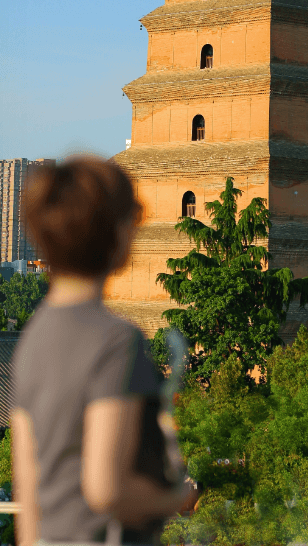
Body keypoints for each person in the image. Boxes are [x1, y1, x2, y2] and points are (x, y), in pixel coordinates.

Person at [11, 155, 195, 546]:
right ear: (112, 231)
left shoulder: (33, 337)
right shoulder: (116, 341)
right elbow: (106, 489)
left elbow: (28, 487)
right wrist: (175, 498)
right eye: (134, 217)